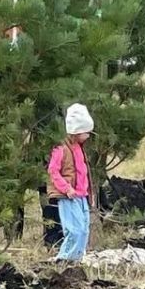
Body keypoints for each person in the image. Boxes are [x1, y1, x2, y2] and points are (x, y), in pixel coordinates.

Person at [48, 104, 95, 262]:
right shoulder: (60, 148)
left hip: (81, 195)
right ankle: (64, 259)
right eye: (85, 132)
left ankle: (76, 260)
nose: (88, 135)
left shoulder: (79, 147)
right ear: (76, 131)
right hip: (69, 195)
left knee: (84, 230)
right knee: (74, 230)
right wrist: (66, 188)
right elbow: (53, 171)